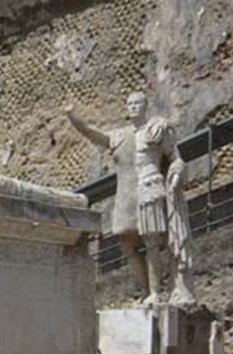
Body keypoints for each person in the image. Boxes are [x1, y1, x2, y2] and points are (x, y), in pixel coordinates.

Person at [65, 92, 196, 306]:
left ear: (145, 106)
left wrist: (177, 172)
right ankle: (145, 290)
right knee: (126, 244)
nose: (133, 107)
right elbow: (91, 133)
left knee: (151, 243)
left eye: (137, 103)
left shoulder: (155, 129)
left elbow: (175, 158)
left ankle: (156, 292)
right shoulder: (119, 136)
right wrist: (73, 117)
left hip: (149, 187)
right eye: (130, 104)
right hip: (125, 196)